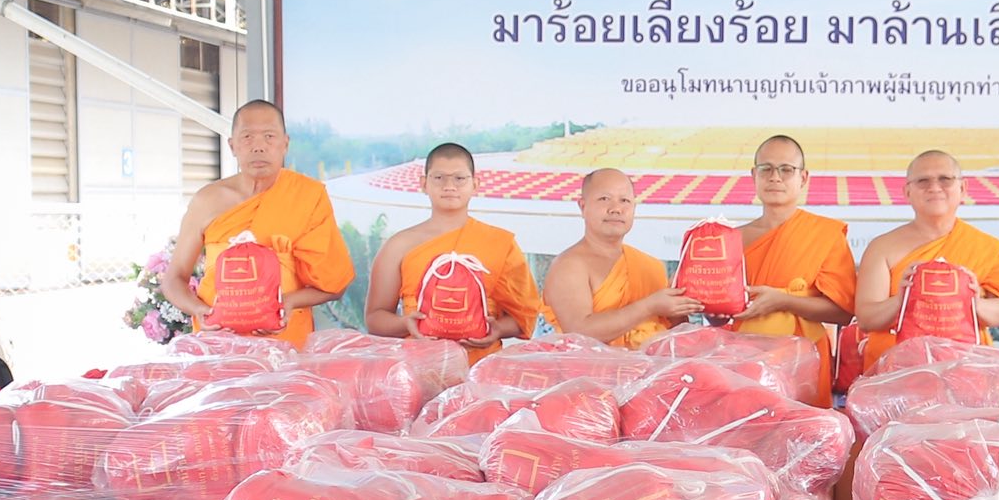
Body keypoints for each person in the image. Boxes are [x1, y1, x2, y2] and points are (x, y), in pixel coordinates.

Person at [161, 99, 354, 349]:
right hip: (218, 342)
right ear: (232, 146)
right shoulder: (207, 200)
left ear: (285, 144)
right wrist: (200, 311)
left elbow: (334, 285)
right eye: (248, 137)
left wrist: (288, 302)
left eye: (269, 136)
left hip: (285, 343)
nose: (259, 147)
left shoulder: (306, 196)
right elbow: (174, 279)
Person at [364, 142, 542, 363]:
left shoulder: (500, 243)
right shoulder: (399, 245)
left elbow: (522, 316)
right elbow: (375, 318)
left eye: (459, 178)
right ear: (423, 184)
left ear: (475, 184)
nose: (449, 186)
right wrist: (406, 324)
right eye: (439, 178)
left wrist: (497, 330)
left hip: (480, 369)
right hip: (417, 368)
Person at [855, 150, 999, 373]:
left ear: (963, 189)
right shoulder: (882, 248)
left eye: (945, 179)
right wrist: (902, 299)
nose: (934, 187)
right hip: (897, 370)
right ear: (907, 191)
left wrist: (972, 303)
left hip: (966, 368)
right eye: (922, 180)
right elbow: (867, 318)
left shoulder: (986, 247)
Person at [732, 134, 858, 393]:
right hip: (742, 359)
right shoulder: (732, 239)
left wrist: (784, 301)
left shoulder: (825, 234)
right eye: (766, 169)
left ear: (803, 177)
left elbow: (843, 313)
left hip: (804, 361)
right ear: (753, 175)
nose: (775, 177)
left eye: (786, 169)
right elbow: (717, 313)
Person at [541, 168, 698, 348]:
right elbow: (580, 332)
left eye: (624, 200)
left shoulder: (650, 266)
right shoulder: (568, 266)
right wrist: (649, 307)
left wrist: (685, 305)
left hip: (650, 371)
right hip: (592, 372)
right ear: (583, 207)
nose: (616, 209)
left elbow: (677, 333)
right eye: (604, 199)